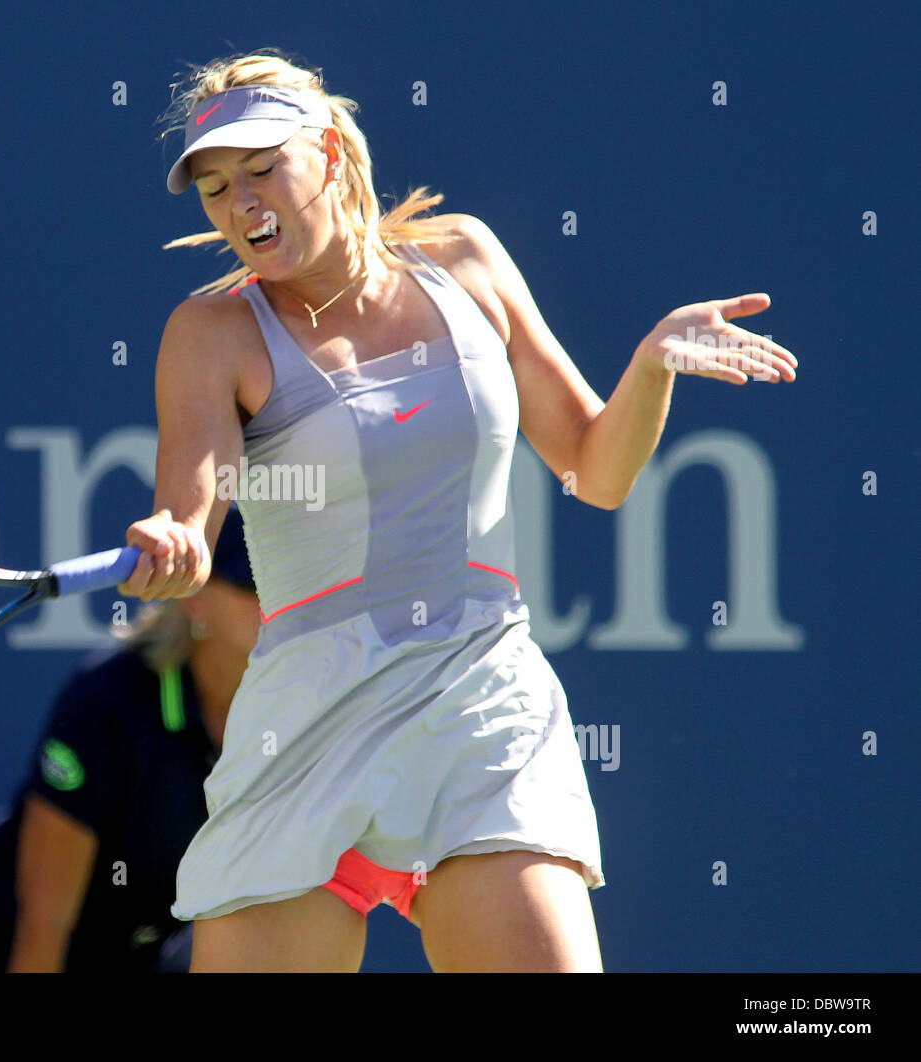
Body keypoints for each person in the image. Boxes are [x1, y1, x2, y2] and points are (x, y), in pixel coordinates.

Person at [118, 51, 797, 973]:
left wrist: (650, 367)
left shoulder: (466, 259)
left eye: (262, 168)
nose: (241, 204)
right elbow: (191, 522)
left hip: (480, 694)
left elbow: (596, 471)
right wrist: (174, 540)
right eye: (215, 187)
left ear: (329, 151)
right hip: (307, 725)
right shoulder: (210, 333)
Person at [0, 506, 260, 973]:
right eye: (251, 585)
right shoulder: (107, 702)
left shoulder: (292, 719)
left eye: (289, 581)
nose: (275, 599)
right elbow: (45, 921)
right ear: (195, 599)